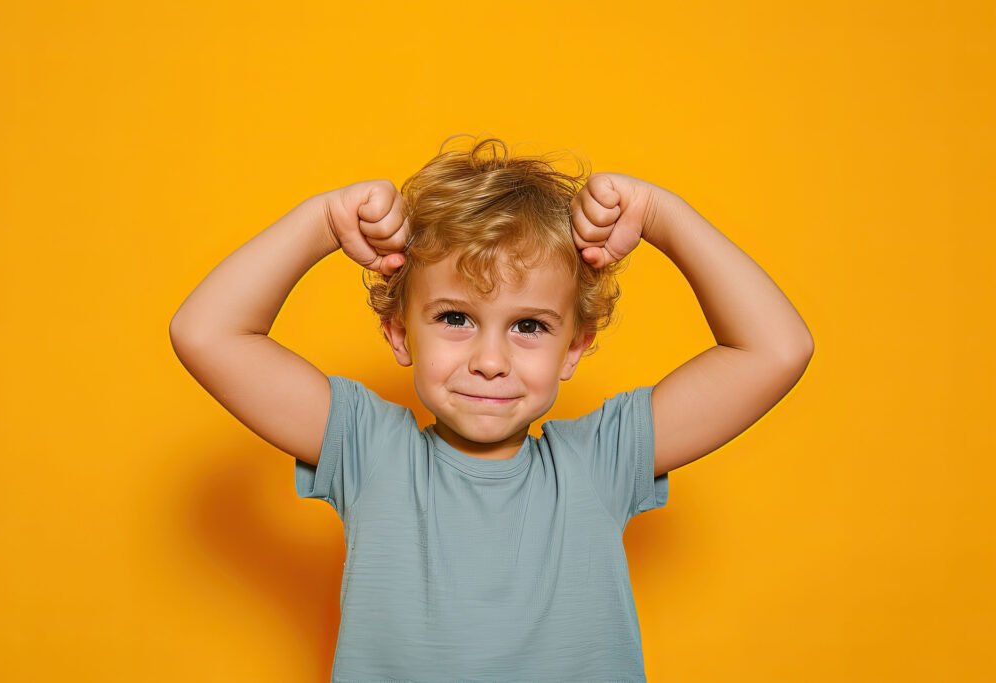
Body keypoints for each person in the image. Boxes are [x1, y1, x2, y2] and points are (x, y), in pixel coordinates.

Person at [169, 134, 814, 681]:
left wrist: (661, 214)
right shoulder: (368, 448)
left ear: (574, 347)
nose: (490, 359)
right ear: (398, 332)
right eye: (455, 317)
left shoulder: (601, 459)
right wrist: (322, 224)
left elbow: (775, 349)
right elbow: (207, 333)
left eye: (529, 326)